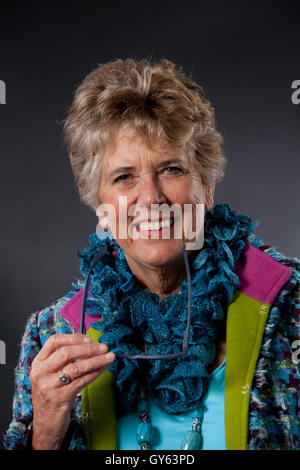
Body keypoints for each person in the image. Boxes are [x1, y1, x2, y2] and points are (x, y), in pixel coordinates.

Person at [3, 58, 300, 450]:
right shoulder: (50, 335)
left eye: (171, 170)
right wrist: (45, 433)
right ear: (100, 204)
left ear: (206, 186)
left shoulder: (291, 305)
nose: (152, 198)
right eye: (124, 177)